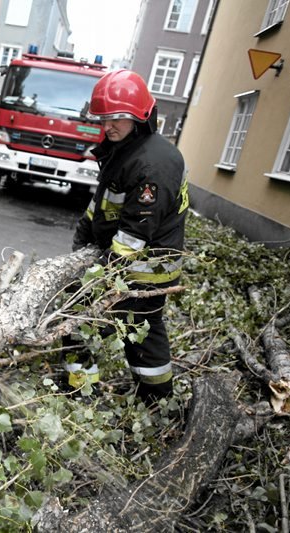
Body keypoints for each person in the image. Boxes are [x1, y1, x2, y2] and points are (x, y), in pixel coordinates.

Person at [66, 69, 189, 404]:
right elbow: (104, 203)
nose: (108, 127)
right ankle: (149, 398)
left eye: (117, 118)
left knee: (88, 322)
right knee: (136, 335)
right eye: (104, 118)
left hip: (145, 271)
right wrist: (83, 238)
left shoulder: (154, 165)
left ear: (141, 116)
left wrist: (95, 276)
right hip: (124, 263)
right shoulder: (124, 149)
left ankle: (152, 401)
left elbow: (133, 236)